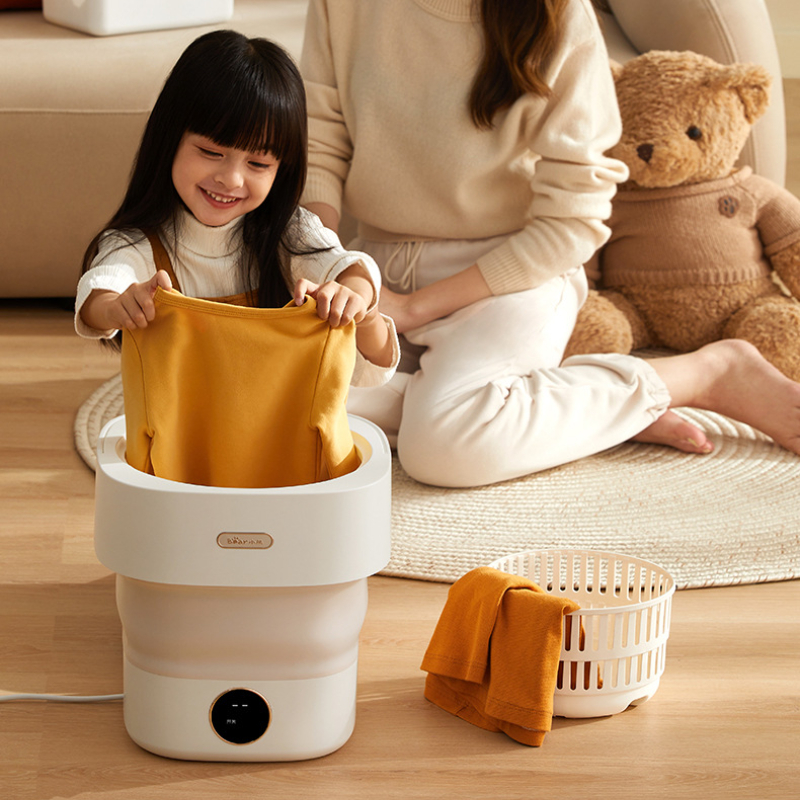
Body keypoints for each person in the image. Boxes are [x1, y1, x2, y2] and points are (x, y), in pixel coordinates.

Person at [299, 0, 800, 488]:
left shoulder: (562, 16)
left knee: (443, 450)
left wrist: (413, 308)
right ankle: (570, 408)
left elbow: (572, 223)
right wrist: (332, 265)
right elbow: (317, 144)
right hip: (373, 264)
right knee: (285, 398)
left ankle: (709, 373)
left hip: (510, 275)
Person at [76, 30, 398, 387]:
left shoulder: (290, 233)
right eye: (211, 152)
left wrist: (359, 300)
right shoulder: (139, 244)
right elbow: (99, 293)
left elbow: (348, 270)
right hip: (177, 418)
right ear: (169, 139)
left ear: (282, 169)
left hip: (280, 413)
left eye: (257, 164)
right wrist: (115, 307)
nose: (230, 179)